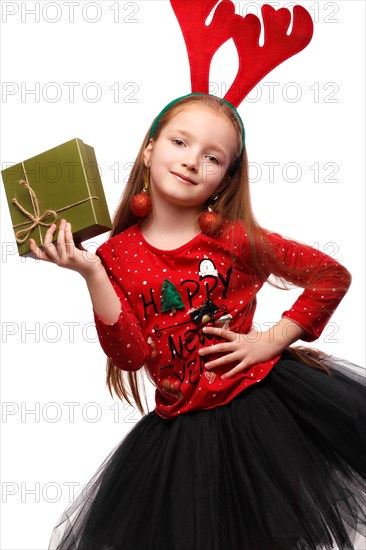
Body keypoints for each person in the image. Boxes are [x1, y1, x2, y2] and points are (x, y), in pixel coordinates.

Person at [31, 94, 365, 550]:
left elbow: (331, 276)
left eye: (212, 157)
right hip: (179, 439)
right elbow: (130, 356)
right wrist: (91, 272)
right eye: (180, 142)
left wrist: (269, 342)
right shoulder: (115, 255)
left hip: (260, 416)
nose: (192, 162)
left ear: (225, 177)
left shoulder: (235, 240)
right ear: (150, 149)